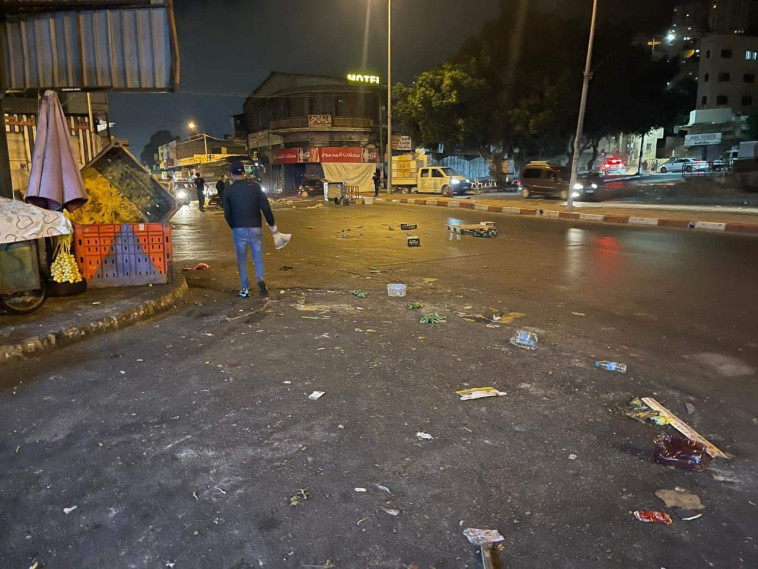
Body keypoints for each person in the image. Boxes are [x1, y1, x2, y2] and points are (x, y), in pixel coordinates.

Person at [223, 161, 277, 298]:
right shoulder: (255, 187)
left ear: (231, 175)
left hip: (238, 227)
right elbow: (265, 207)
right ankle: (260, 278)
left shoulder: (229, 190)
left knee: (242, 258)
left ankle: (245, 289)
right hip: (255, 227)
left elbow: (227, 214)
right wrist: (272, 224)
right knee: (257, 255)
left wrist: (234, 226)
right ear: (244, 173)